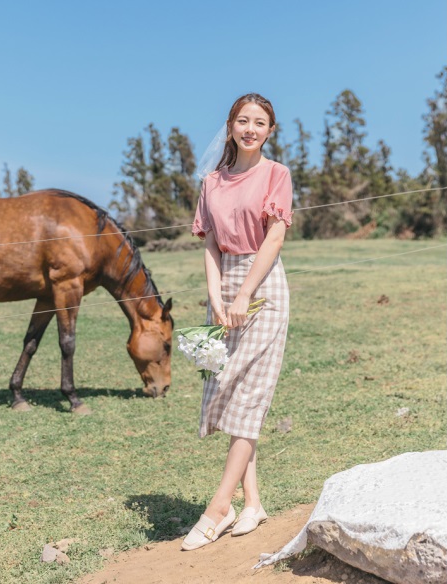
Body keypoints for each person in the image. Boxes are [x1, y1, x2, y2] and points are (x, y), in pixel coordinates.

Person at [181, 92, 293, 551]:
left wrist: (245, 292)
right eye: (243, 121)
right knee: (228, 389)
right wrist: (215, 294)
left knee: (249, 392)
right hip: (223, 285)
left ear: (270, 131)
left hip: (262, 286)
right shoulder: (212, 182)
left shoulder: (276, 174)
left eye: (259, 122)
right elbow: (209, 243)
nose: (250, 128)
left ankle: (218, 507)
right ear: (230, 127)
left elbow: (276, 234)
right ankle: (253, 503)